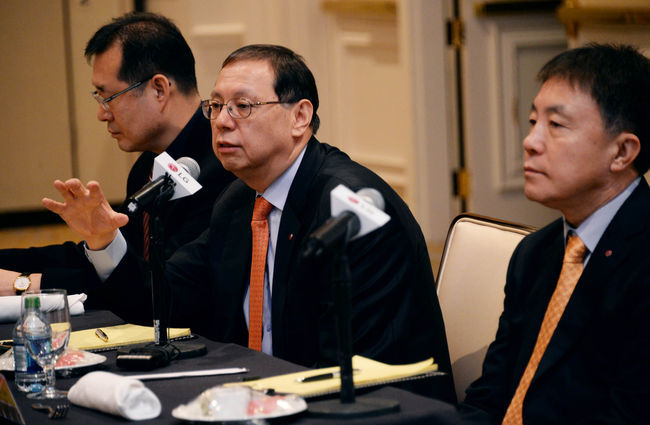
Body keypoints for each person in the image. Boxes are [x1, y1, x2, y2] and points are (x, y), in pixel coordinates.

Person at [45, 44, 456, 402]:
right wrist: (104, 240)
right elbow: (169, 299)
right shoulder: (239, 201)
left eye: (243, 106)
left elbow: (357, 367)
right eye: (215, 106)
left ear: (300, 117)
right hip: (265, 396)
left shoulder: (351, 215)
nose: (222, 121)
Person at [460, 43, 650, 424]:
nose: (530, 142)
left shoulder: (642, 264)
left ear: (622, 152)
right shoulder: (535, 253)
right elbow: (491, 394)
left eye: (556, 125)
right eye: (533, 122)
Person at [0, 12, 234, 304]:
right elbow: (111, 259)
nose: (102, 114)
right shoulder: (147, 166)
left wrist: (26, 284)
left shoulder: (222, 164)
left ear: (159, 89)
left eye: (107, 97)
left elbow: (154, 283)